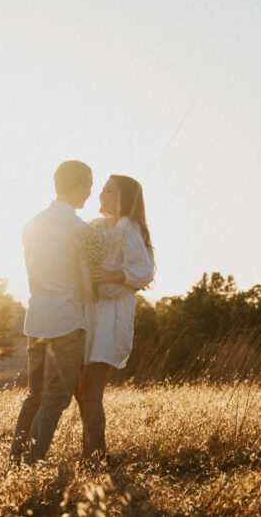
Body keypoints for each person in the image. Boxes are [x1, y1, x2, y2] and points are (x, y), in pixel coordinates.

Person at [10, 160, 93, 465]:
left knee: (36, 395)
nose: (90, 194)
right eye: (89, 187)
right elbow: (87, 280)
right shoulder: (77, 229)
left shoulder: (32, 223)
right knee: (57, 397)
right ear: (78, 187)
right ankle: (32, 462)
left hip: (36, 318)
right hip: (66, 321)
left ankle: (14, 459)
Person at [75, 174, 155, 461]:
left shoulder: (127, 227)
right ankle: (94, 450)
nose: (101, 195)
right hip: (90, 313)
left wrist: (111, 275)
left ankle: (94, 457)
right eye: (102, 190)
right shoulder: (101, 227)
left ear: (124, 198)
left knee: (91, 390)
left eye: (109, 191)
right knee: (80, 390)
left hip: (111, 317)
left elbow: (144, 271)